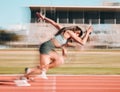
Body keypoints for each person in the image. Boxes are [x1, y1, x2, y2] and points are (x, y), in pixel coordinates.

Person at [15, 12, 93, 86]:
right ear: (74, 30)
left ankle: (32, 70)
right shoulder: (69, 32)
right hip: (46, 47)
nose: (77, 35)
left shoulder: (64, 31)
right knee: (43, 68)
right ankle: (23, 78)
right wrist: (87, 32)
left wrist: (44, 18)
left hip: (50, 48)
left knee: (60, 60)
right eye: (77, 33)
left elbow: (54, 23)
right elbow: (82, 42)